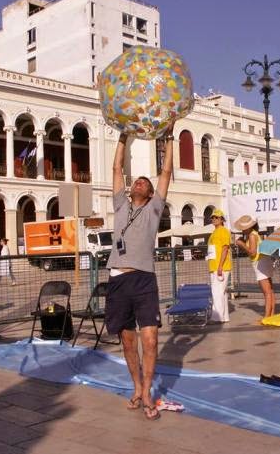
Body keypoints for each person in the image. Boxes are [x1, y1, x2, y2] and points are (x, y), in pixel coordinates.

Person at [105, 124, 174, 421]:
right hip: (118, 279)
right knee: (128, 341)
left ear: (149, 192)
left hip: (144, 278)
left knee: (151, 340)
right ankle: (135, 386)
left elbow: (166, 174)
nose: (140, 183)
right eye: (138, 181)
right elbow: (117, 166)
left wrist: (169, 138)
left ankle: (147, 392)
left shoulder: (154, 209)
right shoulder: (121, 204)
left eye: (145, 183)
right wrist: (123, 135)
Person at [234, 215, 276, 320]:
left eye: (243, 228)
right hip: (264, 260)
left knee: (266, 292)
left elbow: (252, 252)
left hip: (260, 263)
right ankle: (272, 314)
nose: (242, 231)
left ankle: (267, 316)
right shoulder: (254, 234)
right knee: (270, 290)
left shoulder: (252, 236)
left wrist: (241, 244)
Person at [207, 208, 231, 323]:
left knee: (216, 292)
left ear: (221, 219)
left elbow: (225, 248)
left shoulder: (224, 231)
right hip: (214, 266)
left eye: (216, 217)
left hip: (220, 266)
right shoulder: (214, 232)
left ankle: (217, 317)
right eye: (212, 217)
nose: (214, 219)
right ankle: (224, 316)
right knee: (221, 292)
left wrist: (220, 266)